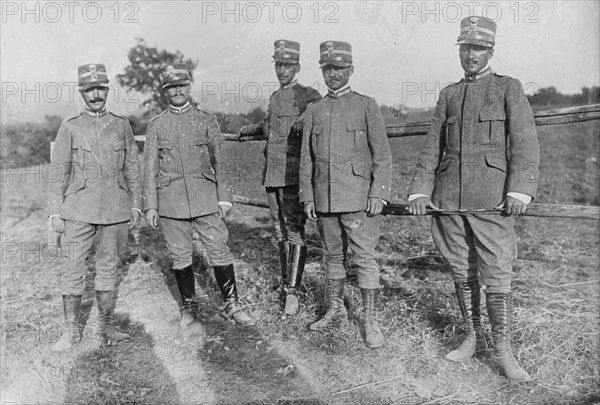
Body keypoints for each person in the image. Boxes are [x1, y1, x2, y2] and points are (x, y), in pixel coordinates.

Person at [407, 16, 540, 382]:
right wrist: (420, 189)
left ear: (490, 51)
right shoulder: (449, 94)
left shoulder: (508, 88)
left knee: (497, 272)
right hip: (448, 199)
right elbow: (433, 145)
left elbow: (525, 141)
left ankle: (502, 350)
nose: (471, 55)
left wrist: (519, 190)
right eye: (465, 48)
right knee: (461, 269)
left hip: (492, 199)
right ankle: (472, 336)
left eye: (478, 48)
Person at [143, 64, 254, 329]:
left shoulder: (205, 120)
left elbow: (221, 160)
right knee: (180, 255)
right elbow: (149, 169)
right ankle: (189, 307)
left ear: (189, 88)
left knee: (218, 249)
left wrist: (224, 197)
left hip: (205, 197)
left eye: (182, 86)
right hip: (171, 201)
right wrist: (150, 206)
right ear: (165, 92)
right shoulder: (157, 125)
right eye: (172, 88)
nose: (178, 91)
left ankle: (232, 305)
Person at [299, 41, 393, 349]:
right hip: (324, 198)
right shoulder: (314, 110)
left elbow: (382, 155)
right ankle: (335, 309)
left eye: (338, 68)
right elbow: (306, 159)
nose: (333, 74)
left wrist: (378, 193)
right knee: (332, 256)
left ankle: (369, 320)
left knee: (364, 258)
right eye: (327, 68)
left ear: (350, 70)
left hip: (357, 199)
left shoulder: (366, 105)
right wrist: (308, 197)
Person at [48, 63, 142, 350]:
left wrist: (136, 206)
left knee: (108, 268)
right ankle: (70, 332)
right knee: (72, 268)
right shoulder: (70, 126)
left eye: (100, 88)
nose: (96, 94)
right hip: (77, 210)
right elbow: (57, 171)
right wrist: (55, 210)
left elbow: (132, 168)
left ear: (107, 90)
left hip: (115, 209)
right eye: (90, 89)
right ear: (82, 93)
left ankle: (106, 326)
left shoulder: (121, 125)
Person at [239, 40, 321, 315]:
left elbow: (313, 127)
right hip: (272, 173)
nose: (282, 70)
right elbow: (270, 127)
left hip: (294, 175)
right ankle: (287, 283)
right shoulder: (274, 97)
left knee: (294, 230)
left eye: (287, 65)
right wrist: (249, 129)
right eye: (278, 65)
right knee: (279, 231)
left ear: (297, 66)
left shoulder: (309, 96)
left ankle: (293, 293)